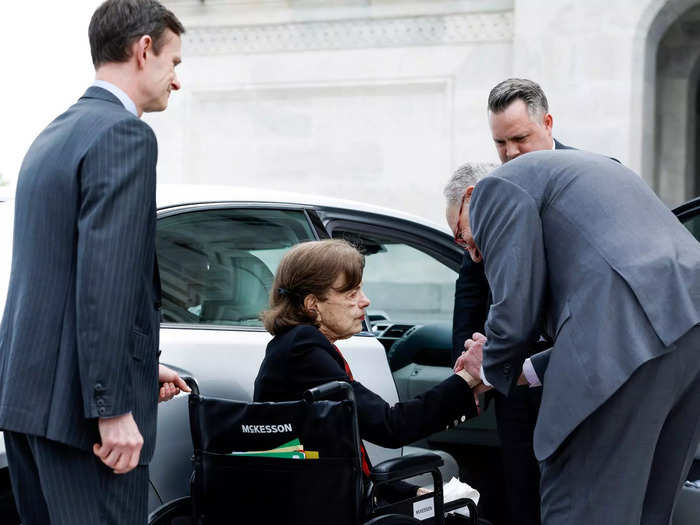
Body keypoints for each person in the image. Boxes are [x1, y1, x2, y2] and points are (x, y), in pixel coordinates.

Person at [0, 1, 189, 523]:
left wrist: (140, 365)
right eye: (174, 63)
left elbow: (57, 282)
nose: (176, 82)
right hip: (84, 423)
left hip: (27, 404)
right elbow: (105, 282)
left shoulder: (51, 136)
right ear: (143, 48)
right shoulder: (124, 135)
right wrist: (113, 408)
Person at [448, 149, 700, 524]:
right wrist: (519, 370)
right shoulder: (598, 171)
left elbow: (516, 307)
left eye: (461, 235)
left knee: (579, 504)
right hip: (688, 325)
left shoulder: (494, 189)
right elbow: (601, 315)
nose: (473, 254)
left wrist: (487, 365)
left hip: (627, 335)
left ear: (471, 195)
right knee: (649, 505)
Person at [254, 239, 483, 504]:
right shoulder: (303, 349)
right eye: (350, 293)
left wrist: (410, 493)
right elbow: (390, 426)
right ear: (312, 304)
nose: (365, 301)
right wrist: (467, 379)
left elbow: (341, 459)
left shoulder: (297, 345)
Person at [452, 78, 570, 525]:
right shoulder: (491, 191)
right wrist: (468, 362)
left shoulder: (595, 173)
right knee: (523, 491)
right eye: (500, 143)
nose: (511, 153)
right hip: (514, 375)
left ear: (548, 123)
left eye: (521, 138)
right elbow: (473, 282)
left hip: (576, 364)